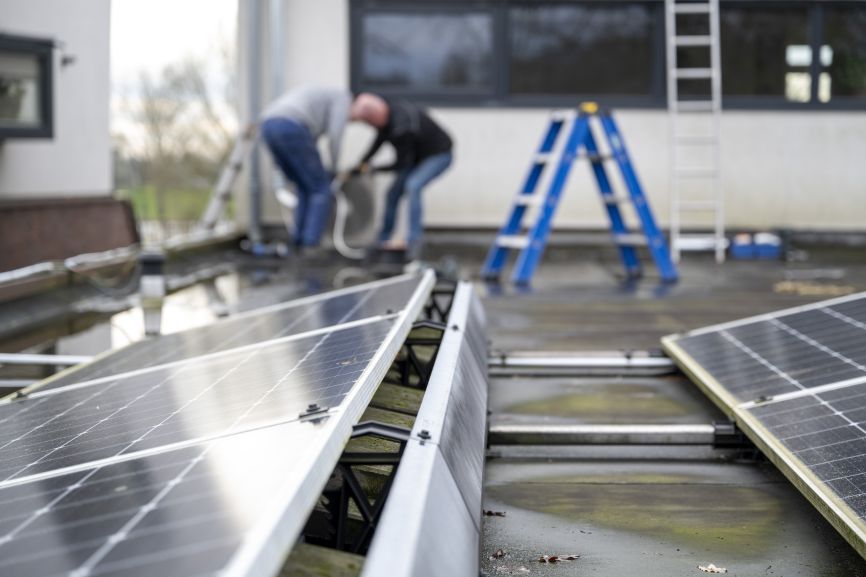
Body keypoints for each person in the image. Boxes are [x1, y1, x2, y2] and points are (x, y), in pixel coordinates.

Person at [349, 93, 453, 261]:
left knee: (413, 186)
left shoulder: (403, 127)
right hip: (415, 157)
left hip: (438, 155)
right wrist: (361, 164)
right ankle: (382, 240)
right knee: (392, 194)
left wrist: (376, 169)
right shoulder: (386, 114)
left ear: (375, 117)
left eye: (368, 122)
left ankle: (414, 242)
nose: (369, 126)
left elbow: (401, 164)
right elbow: (377, 143)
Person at [260, 86, 351, 251]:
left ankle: (297, 243)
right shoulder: (343, 98)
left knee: (304, 187)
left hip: (267, 126)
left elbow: (309, 142)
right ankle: (310, 246)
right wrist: (334, 167)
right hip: (290, 125)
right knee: (321, 189)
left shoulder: (321, 99)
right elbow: (335, 135)